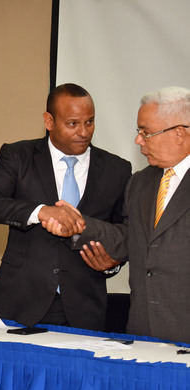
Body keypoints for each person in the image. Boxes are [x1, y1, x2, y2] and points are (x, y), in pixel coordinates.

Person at [0, 83, 131, 330]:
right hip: (20, 303)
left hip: (84, 308)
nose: (84, 132)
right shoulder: (19, 155)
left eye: (90, 122)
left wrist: (113, 262)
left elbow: (125, 230)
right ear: (49, 121)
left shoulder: (116, 169)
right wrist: (40, 212)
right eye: (73, 123)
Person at [59, 86, 190, 342]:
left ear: (179, 134)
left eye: (146, 132)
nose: (138, 140)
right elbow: (130, 237)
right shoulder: (140, 183)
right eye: (138, 131)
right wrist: (80, 225)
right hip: (143, 332)